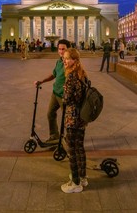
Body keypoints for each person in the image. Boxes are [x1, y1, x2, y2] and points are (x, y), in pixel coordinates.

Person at [60, 48, 88, 193]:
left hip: (72, 117)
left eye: (67, 58)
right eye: (64, 58)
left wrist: (64, 94)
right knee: (80, 148)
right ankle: (83, 177)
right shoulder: (82, 74)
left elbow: (66, 98)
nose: (64, 60)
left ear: (74, 60)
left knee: (71, 150)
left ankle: (75, 183)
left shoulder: (71, 76)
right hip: (82, 118)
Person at [34, 39, 71, 143]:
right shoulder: (59, 61)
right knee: (50, 113)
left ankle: (69, 139)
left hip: (64, 96)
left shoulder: (71, 63)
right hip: (55, 93)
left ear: (68, 50)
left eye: (63, 49)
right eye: (59, 49)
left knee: (68, 119)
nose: (61, 51)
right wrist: (42, 81)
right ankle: (54, 135)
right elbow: (54, 74)